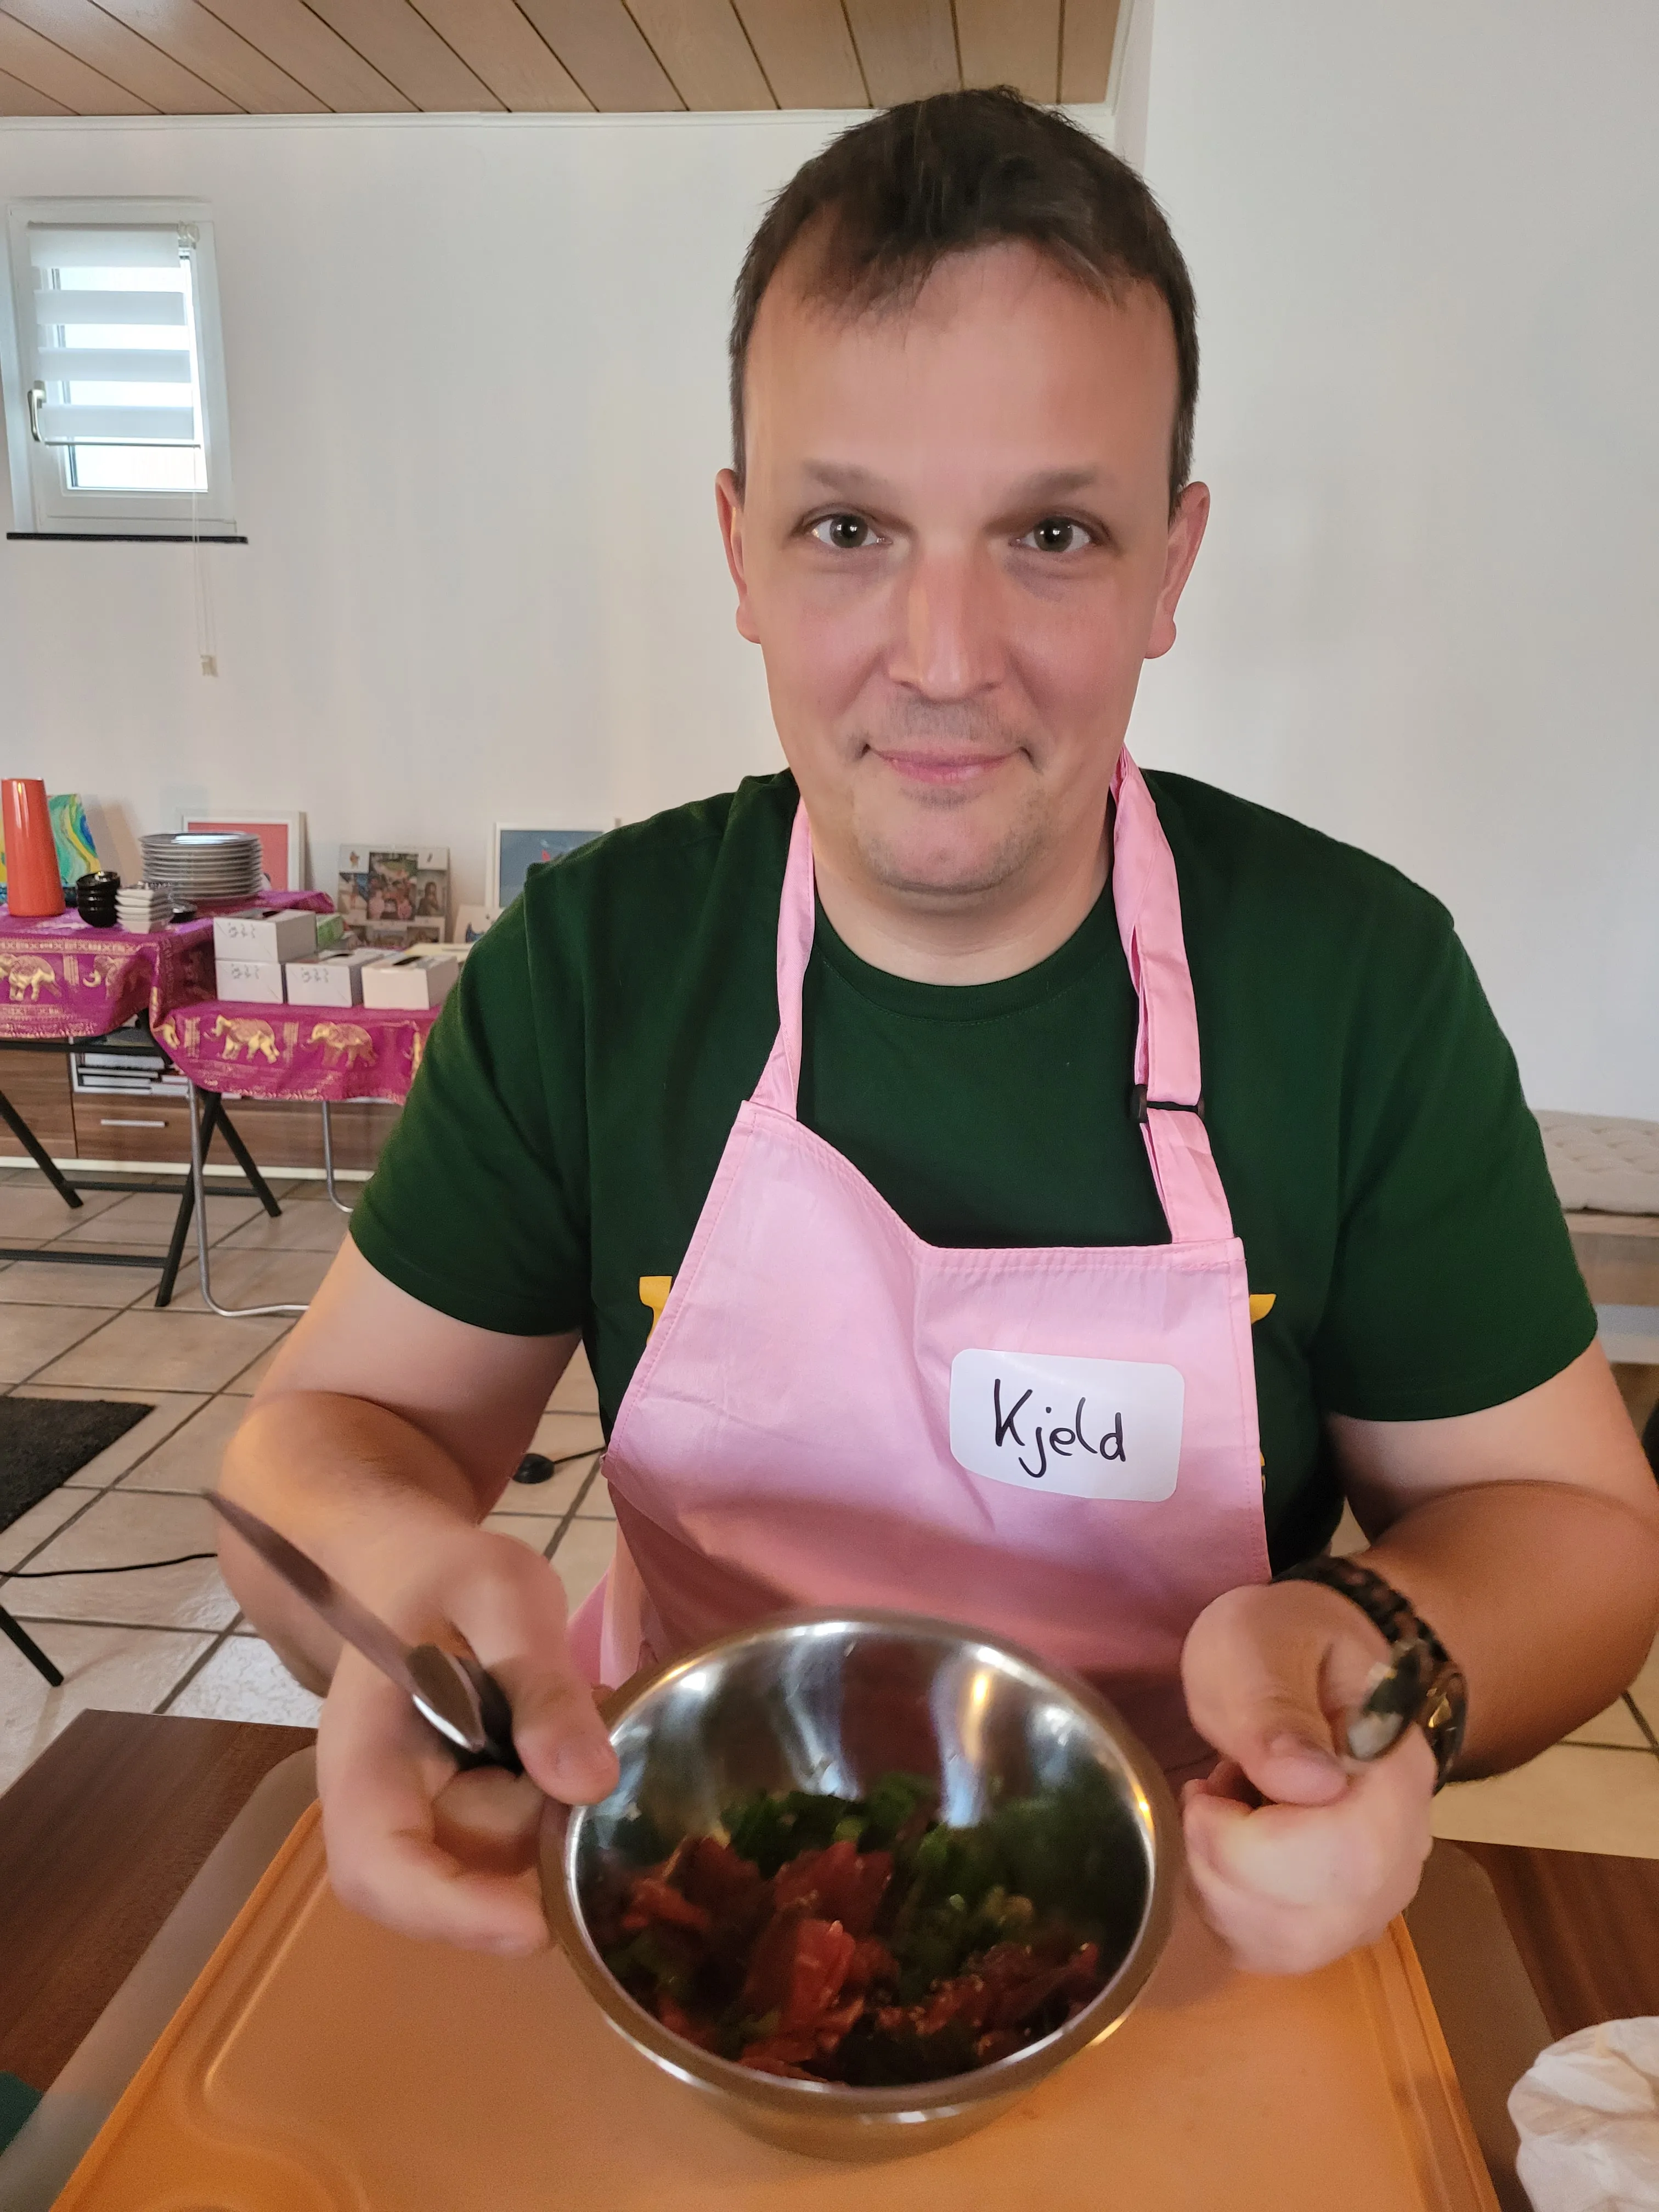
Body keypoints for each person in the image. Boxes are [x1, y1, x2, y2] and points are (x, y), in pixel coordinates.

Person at [219, 91, 1659, 1978]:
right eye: (848, 527)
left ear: (1171, 562)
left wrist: (1377, 1656)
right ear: (740, 550)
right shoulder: (598, 968)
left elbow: (1569, 1521)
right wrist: (410, 1592)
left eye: (1052, 531)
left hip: (1208, 1919)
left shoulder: (1353, 982)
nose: (950, 654)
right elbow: (311, 1450)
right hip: (684, 1892)